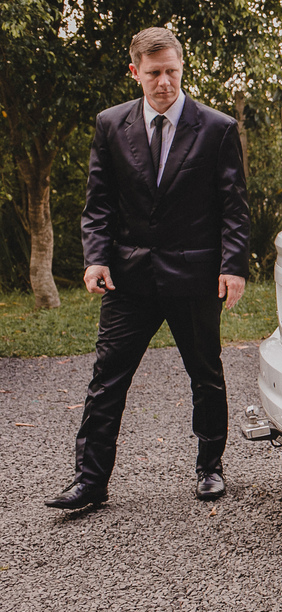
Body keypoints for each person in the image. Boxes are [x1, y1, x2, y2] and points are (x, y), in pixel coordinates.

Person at [46, 27, 250, 510]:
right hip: (130, 278)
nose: (165, 83)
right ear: (135, 72)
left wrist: (233, 265)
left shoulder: (217, 128)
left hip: (194, 275)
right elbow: (98, 204)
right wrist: (95, 257)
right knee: (106, 379)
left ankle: (209, 468)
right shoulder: (111, 125)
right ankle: (90, 482)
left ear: (183, 67)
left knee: (206, 374)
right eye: (154, 73)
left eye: (173, 71)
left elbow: (234, 208)